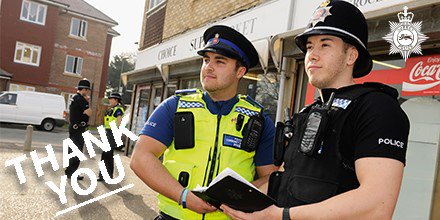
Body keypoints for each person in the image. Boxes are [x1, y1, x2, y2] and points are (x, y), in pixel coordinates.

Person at [221, 0, 410, 219]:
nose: (312, 54)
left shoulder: (377, 108)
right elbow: (288, 179)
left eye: (325, 44)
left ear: (351, 56)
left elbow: (377, 204)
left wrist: (281, 216)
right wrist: (234, 197)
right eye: (310, 46)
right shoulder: (308, 113)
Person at [130, 25, 278, 219]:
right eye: (206, 60)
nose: (208, 66)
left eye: (220, 61)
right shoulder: (175, 106)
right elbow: (140, 157)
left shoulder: (258, 119)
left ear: (240, 71)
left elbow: (270, 177)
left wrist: (238, 195)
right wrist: (183, 196)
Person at [65, 78, 93, 180]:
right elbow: (89, 112)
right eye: (87, 90)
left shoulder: (74, 97)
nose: (88, 92)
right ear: (84, 89)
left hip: (73, 128)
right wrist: (87, 102)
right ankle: (72, 173)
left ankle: (69, 171)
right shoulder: (80, 99)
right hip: (78, 129)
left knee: (72, 150)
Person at [97, 92, 125, 181]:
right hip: (108, 132)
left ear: (116, 100)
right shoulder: (111, 109)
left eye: (111, 99)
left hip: (113, 133)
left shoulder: (118, 109)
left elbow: (119, 121)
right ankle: (103, 175)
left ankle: (107, 176)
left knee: (108, 154)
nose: (109, 100)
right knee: (105, 154)